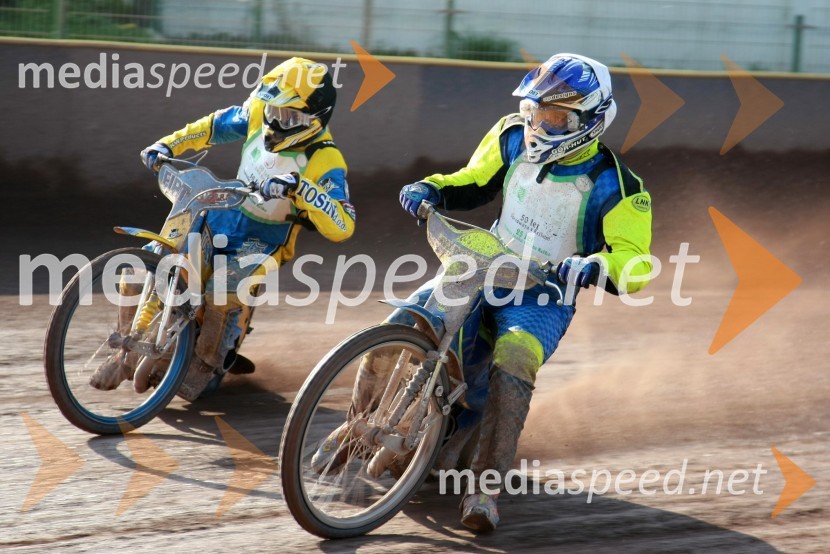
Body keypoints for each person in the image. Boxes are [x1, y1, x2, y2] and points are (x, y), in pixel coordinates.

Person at [396, 53, 653, 531]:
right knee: (406, 318)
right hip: (485, 260)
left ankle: (484, 490)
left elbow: (635, 264)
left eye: (556, 118)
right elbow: (471, 182)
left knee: (513, 361)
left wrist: (595, 265)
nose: (540, 125)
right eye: (537, 112)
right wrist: (430, 188)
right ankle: (356, 426)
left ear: (592, 120)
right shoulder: (511, 135)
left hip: (544, 295)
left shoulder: (619, 186)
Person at [90, 57, 355, 401]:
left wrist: (302, 189)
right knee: (150, 261)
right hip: (219, 212)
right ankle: (124, 348)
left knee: (222, 288)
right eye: (273, 109)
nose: (275, 120)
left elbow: (343, 225)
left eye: (289, 116)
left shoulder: (326, 159)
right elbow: (214, 126)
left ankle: (207, 363)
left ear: (315, 120)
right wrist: (168, 145)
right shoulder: (259, 112)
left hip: (264, 239)